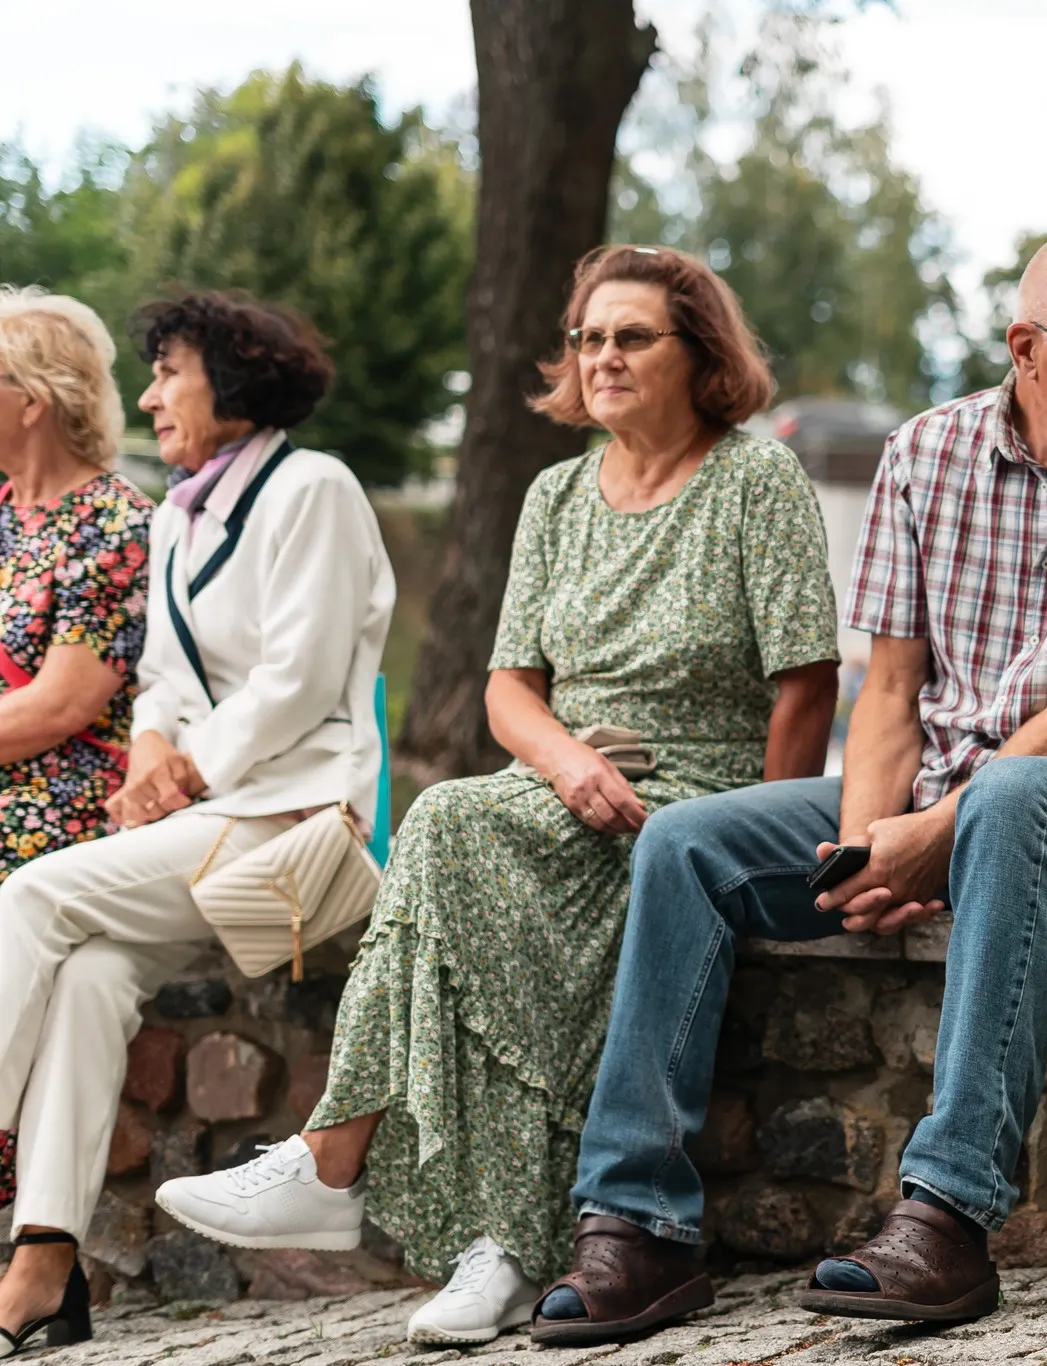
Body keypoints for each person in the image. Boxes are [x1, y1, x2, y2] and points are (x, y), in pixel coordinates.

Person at [500, 228, 1047, 1343]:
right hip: (942, 788)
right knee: (685, 845)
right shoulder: (922, 454)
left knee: (1010, 800)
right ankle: (638, 1222)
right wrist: (863, 854)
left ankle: (946, 1215)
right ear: (1025, 348)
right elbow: (888, 692)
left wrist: (928, 834)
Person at [156, 245, 842, 1346]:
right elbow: (508, 689)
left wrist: (754, 828)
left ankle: (373, 1182)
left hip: (698, 797)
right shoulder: (555, 495)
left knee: (455, 843)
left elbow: (805, 680)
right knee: (457, 841)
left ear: (698, 354)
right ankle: (492, 1243)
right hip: (572, 781)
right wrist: (567, 760)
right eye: (587, 339)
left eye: (630, 337)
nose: (601, 357)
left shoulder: (754, 480)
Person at [0, 291, 391, 1356]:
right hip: (207, 830)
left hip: (295, 822)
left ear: (234, 375)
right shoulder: (176, 514)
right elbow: (162, 684)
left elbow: (299, 680)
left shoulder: (314, 489)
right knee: (87, 977)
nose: (147, 395)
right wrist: (147, 762)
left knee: (33, 892)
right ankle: (41, 1265)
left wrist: (184, 771)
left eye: (168, 370)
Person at [0, 289, 154, 876]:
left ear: (32, 401)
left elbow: (57, 706)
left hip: (62, 795)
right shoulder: (8, 510)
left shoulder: (116, 522)